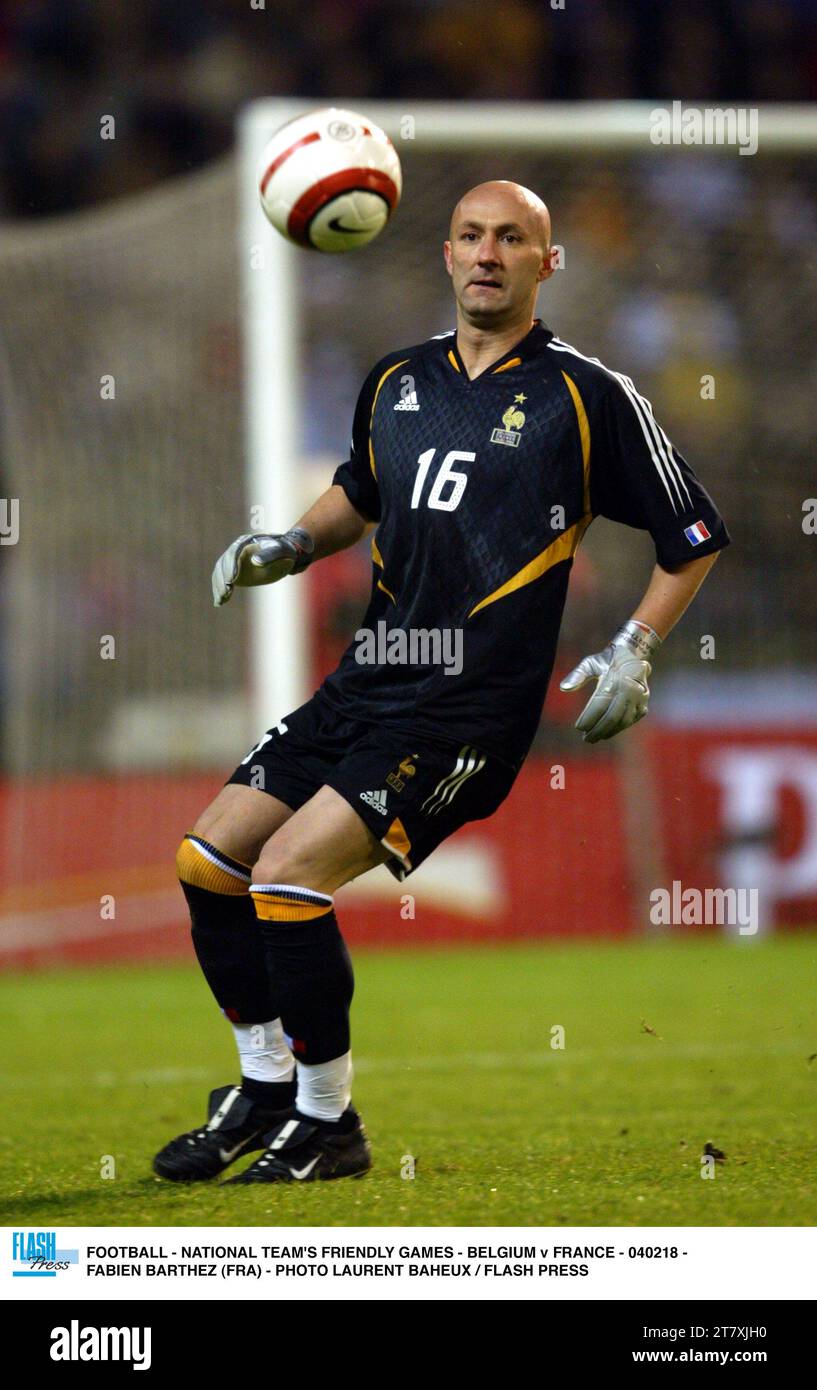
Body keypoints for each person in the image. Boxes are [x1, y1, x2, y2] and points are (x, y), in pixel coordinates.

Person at [153, 180, 729, 1185]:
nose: (487, 253)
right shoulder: (396, 379)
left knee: (288, 875)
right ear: (446, 254)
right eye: (469, 235)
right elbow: (358, 496)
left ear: (548, 263)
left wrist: (635, 646)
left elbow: (692, 538)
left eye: (513, 238)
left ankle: (329, 1124)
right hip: (369, 677)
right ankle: (262, 1082)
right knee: (209, 862)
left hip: (469, 708)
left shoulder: (588, 396)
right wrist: (291, 542)